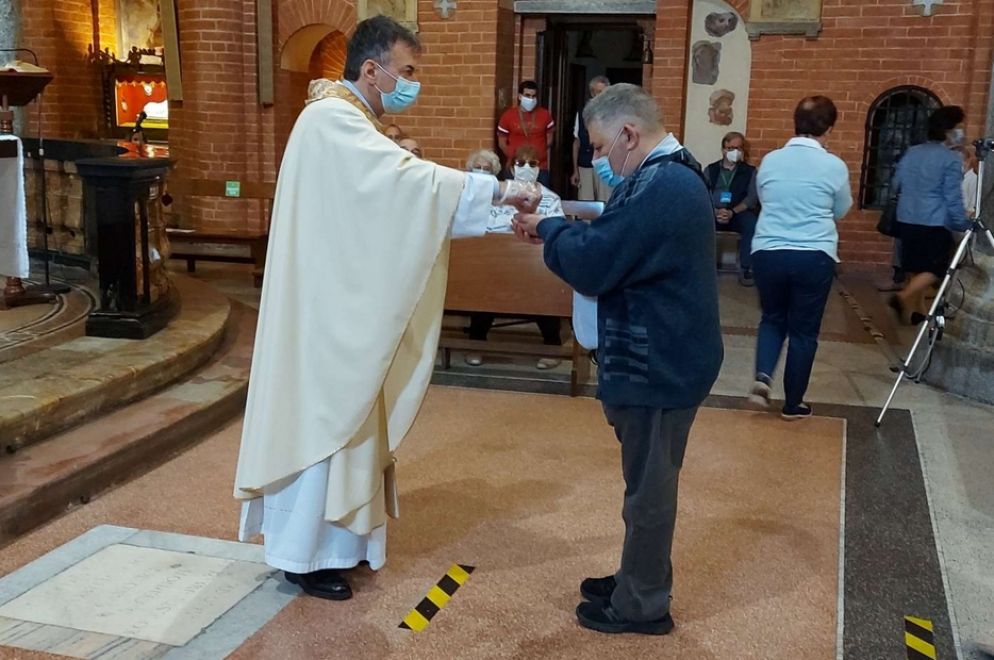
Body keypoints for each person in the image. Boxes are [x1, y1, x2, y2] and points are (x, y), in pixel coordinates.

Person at [233, 16, 541, 602]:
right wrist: (500, 191)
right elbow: (406, 184)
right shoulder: (331, 121)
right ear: (371, 70)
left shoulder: (347, 121)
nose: (412, 83)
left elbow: (389, 201)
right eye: (407, 70)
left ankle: (334, 547)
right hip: (326, 314)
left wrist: (495, 213)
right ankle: (304, 555)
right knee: (326, 419)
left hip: (341, 297)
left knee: (346, 417)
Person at [513, 83, 722, 636]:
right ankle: (636, 577)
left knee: (649, 493)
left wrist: (550, 227)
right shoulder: (661, 175)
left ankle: (642, 604)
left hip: (662, 362)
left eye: (602, 148)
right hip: (660, 355)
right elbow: (616, 240)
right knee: (643, 485)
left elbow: (597, 261)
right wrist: (558, 230)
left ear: (629, 133)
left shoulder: (665, 184)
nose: (600, 159)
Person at [748, 96, 852, 420]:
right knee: (804, 331)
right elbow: (841, 209)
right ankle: (793, 404)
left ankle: (763, 376)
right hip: (813, 254)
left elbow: (763, 198)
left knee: (772, 318)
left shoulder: (770, 160)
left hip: (768, 251)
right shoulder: (834, 166)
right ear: (829, 128)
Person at [464, 144, 565, 369]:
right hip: (498, 260)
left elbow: (556, 231)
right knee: (484, 283)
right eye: (520, 163)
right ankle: (476, 343)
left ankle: (552, 345)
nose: (526, 168)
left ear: (539, 168)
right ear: (511, 168)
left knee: (544, 286)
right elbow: (487, 226)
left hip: (535, 263)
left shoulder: (551, 198)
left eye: (532, 163)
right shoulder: (500, 195)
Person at [888, 106, 970, 325]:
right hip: (933, 220)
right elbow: (952, 197)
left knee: (917, 268)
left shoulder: (912, 152)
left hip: (907, 218)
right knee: (937, 268)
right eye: (959, 127)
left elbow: (896, 183)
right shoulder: (950, 159)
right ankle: (902, 297)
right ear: (949, 130)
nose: (962, 132)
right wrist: (962, 222)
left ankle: (919, 312)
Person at [704, 131, 760, 286]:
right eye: (731, 148)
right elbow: (703, 194)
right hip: (714, 212)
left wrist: (731, 212)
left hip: (738, 212)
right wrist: (715, 211)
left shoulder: (750, 172)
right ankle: (703, 268)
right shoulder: (710, 169)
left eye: (738, 148)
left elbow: (752, 198)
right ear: (723, 150)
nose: (735, 151)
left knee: (752, 225)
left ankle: (746, 268)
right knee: (697, 223)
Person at [497, 80, 555, 187]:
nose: (531, 99)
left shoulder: (545, 115)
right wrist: (516, 157)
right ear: (520, 96)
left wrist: (536, 153)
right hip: (515, 167)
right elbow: (502, 143)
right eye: (527, 95)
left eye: (533, 96)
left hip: (539, 167)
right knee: (513, 195)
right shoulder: (508, 116)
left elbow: (549, 140)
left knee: (541, 196)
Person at [571, 75, 612, 201]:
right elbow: (577, 142)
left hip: (606, 166)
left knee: (606, 202)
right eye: (598, 92)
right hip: (585, 165)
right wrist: (575, 170)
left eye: (604, 92)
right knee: (585, 202)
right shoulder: (582, 113)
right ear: (592, 93)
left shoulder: (614, 113)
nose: (600, 96)